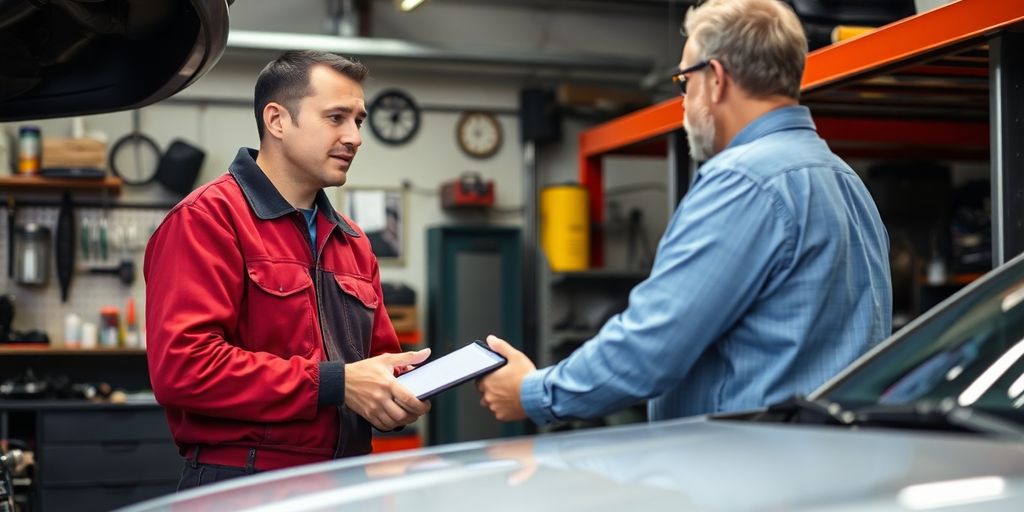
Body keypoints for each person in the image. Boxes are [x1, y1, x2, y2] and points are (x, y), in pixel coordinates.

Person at [479, 0, 891, 425]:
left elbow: (653, 342)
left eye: (683, 82)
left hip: (749, 471)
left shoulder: (742, 180)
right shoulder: (844, 180)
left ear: (715, 79)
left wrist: (532, 392)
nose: (683, 102)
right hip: (831, 458)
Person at [144, 50, 430, 490]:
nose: (354, 137)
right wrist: (336, 382)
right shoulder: (208, 219)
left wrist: (394, 394)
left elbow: (372, 366)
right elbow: (184, 367)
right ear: (277, 121)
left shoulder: (352, 241)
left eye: (359, 120)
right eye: (336, 117)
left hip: (346, 480)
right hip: (244, 481)